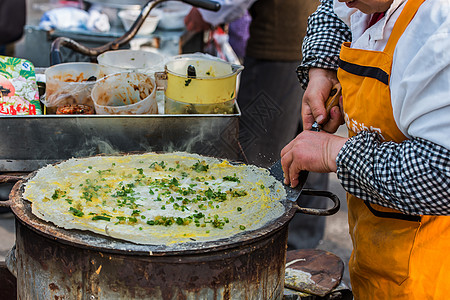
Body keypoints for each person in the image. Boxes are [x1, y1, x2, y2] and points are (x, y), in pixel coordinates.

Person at [281, 0, 450, 298]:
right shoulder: (359, 3)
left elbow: (441, 173)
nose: (346, 0)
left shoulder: (439, 31)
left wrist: (333, 153)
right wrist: (322, 70)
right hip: (376, 248)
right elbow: (331, 12)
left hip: (431, 274)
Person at [185, 0, 329, 250]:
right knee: (309, 144)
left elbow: (228, 3)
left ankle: (254, 249)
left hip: (280, 50)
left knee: (255, 159)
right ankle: (299, 252)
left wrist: (208, 11)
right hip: (315, 49)